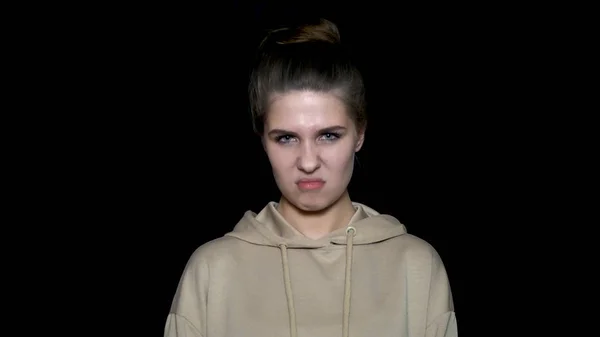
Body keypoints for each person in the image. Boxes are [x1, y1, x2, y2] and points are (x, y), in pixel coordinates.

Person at [164, 18, 457, 337]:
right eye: (286, 138)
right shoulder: (211, 271)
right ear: (262, 139)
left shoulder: (416, 267)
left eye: (329, 135)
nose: (307, 162)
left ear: (360, 134)